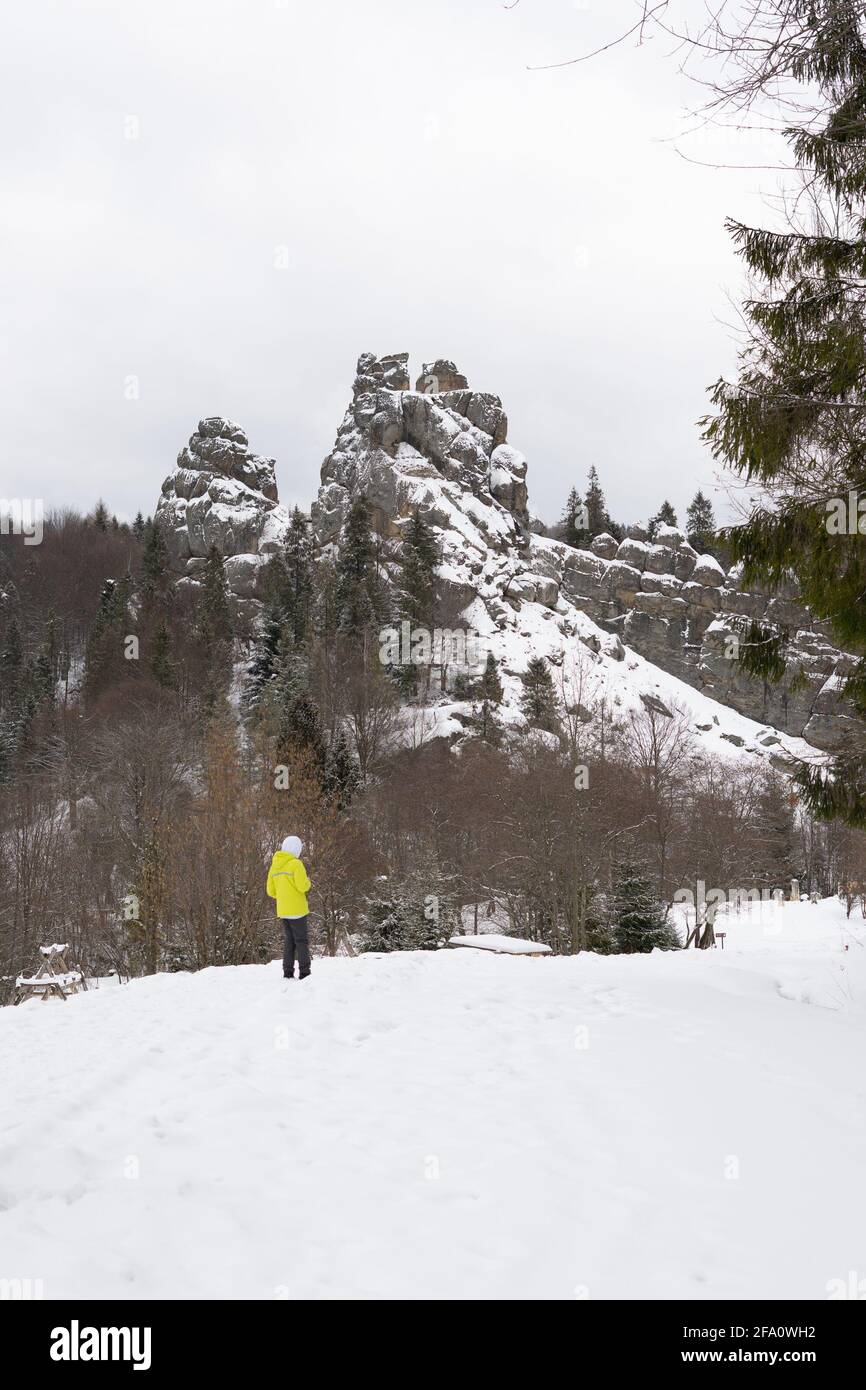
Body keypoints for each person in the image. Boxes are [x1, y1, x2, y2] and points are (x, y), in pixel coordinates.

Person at [267, 835, 312, 980]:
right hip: (298, 910)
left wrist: (283, 895)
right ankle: (305, 973)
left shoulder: (275, 865)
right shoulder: (295, 864)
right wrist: (308, 882)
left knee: (289, 941)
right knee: (301, 941)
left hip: (283, 910)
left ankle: (287, 972)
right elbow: (303, 886)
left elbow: (270, 891)